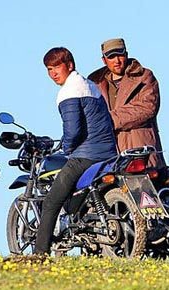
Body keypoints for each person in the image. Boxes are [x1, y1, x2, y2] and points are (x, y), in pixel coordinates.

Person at [32, 47, 117, 255]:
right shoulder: (91, 86)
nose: (53, 73)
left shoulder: (70, 91)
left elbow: (74, 130)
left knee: (52, 200)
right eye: (49, 69)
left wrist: (67, 147)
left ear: (69, 66)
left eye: (57, 67)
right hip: (108, 153)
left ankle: (39, 253)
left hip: (86, 155)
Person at [88, 38, 166, 169]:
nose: (117, 61)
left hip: (142, 154)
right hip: (109, 156)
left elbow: (147, 108)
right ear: (104, 60)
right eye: (111, 57)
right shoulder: (94, 83)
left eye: (120, 55)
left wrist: (107, 120)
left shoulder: (144, 76)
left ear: (126, 54)